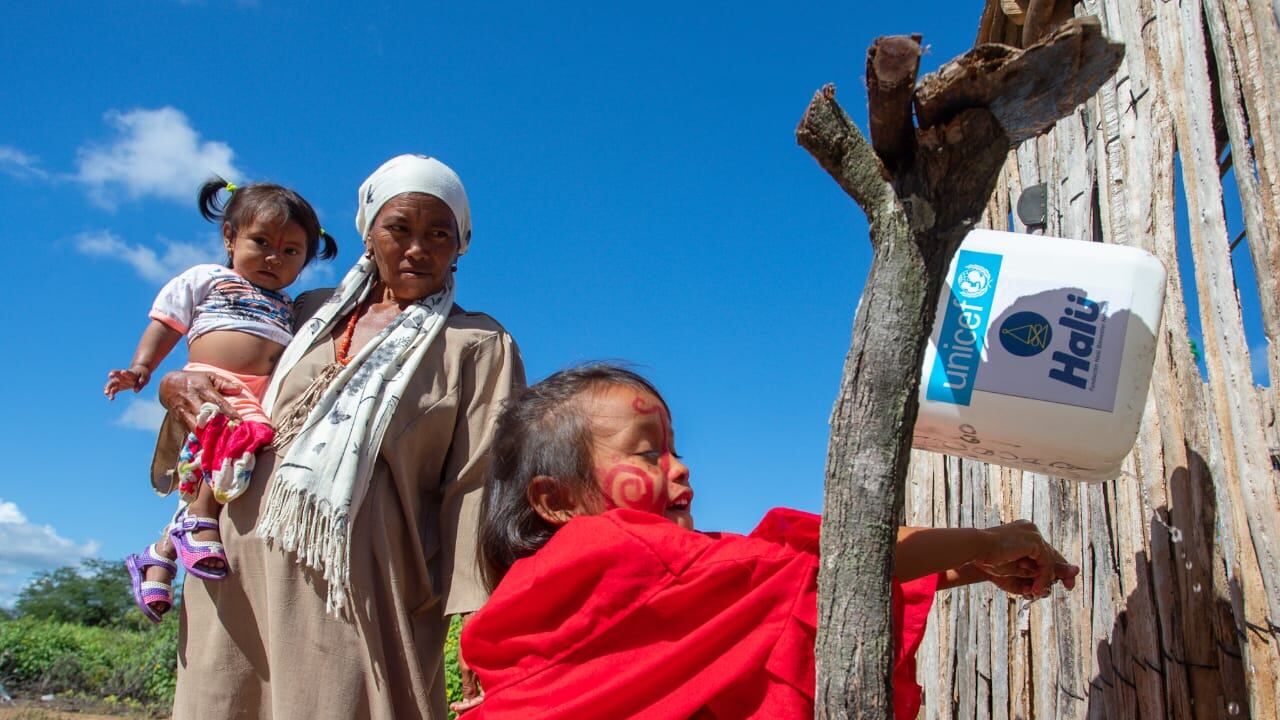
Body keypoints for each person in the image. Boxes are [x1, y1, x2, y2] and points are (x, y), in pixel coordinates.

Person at [460, 364, 1079, 719]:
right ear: (556, 500)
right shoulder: (621, 548)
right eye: (648, 455)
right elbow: (831, 568)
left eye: (676, 449)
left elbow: (800, 577)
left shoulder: (540, 595)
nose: (681, 468)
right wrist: (987, 541)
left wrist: (973, 565)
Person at [155, 154, 524, 719]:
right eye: (399, 229)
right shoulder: (306, 311)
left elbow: (479, 484)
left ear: (461, 246)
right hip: (235, 568)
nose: (417, 249)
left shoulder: (476, 343)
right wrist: (173, 383)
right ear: (369, 234)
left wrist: (481, 614)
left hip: (357, 587)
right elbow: (228, 371)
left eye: (438, 234)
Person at [106, 178, 336, 623]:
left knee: (225, 465)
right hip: (212, 384)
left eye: (291, 251)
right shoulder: (208, 279)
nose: (274, 257)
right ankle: (200, 519)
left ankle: (160, 554)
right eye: (261, 242)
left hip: (258, 395)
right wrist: (141, 368)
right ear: (230, 237)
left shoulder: (289, 307)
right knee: (237, 444)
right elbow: (166, 324)